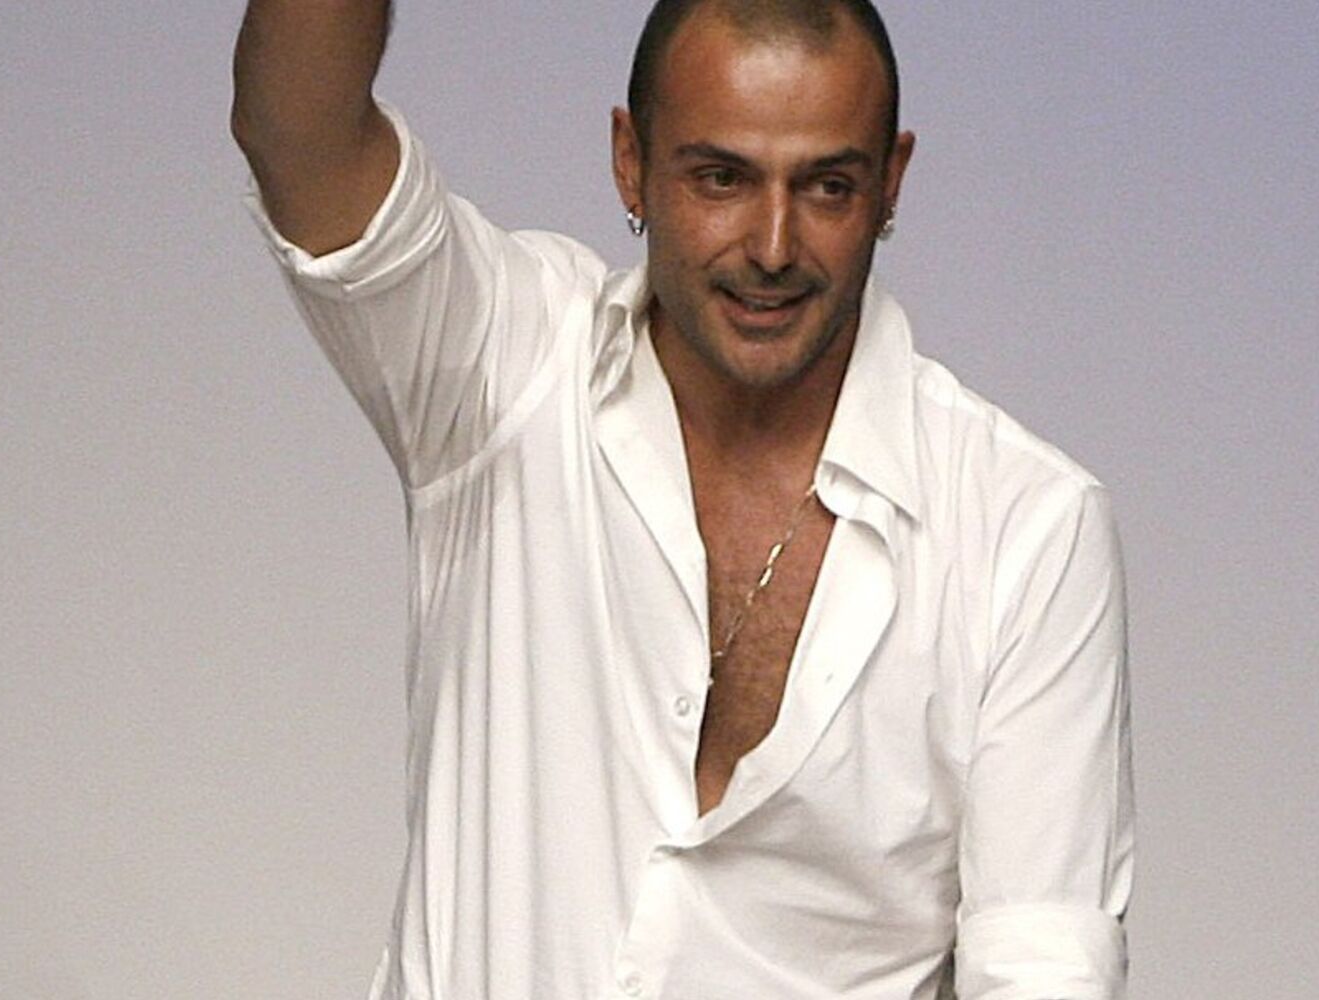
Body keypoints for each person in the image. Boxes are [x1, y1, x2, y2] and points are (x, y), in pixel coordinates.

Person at [231, 1, 1135, 997]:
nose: (774, 244)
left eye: (827, 186)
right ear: (631, 162)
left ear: (891, 182)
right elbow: (298, 131)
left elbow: (1042, 966)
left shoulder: (1025, 528)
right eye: (721, 178)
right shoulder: (505, 370)